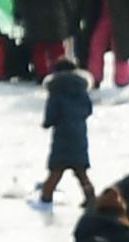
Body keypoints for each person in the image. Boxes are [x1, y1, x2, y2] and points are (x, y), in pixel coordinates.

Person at [41, 51, 96, 207]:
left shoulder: (56, 91)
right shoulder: (82, 90)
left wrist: (46, 123)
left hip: (62, 137)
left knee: (56, 171)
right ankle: (91, 199)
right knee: (81, 172)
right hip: (79, 136)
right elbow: (88, 110)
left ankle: (45, 199)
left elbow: (51, 115)